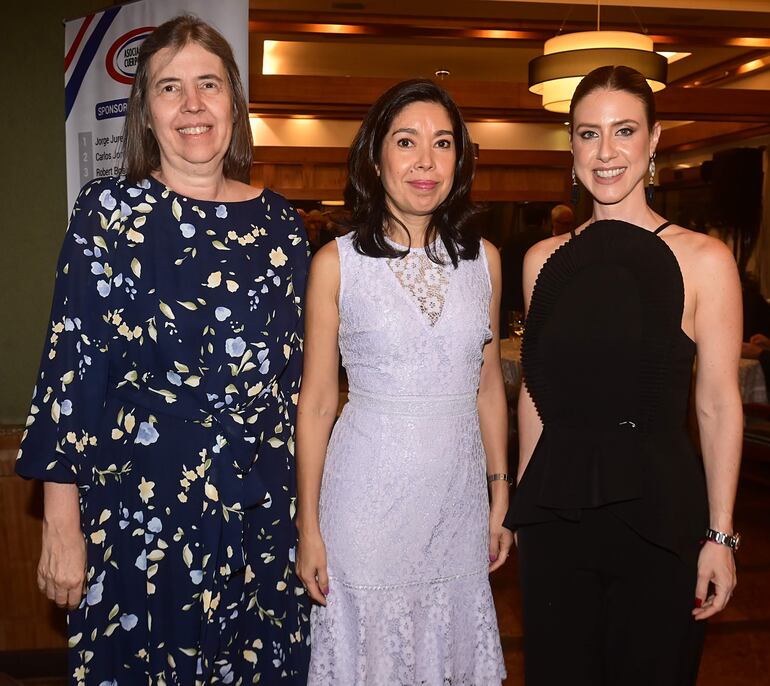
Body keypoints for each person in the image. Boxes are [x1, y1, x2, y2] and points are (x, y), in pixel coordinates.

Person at [16, 15, 310, 684]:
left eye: (208, 84)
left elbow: (298, 392)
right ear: (145, 112)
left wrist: (310, 523)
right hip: (139, 515)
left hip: (259, 513)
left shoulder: (284, 229)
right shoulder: (107, 215)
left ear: (234, 100)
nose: (192, 105)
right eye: (169, 88)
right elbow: (71, 371)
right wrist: (62, 526)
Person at [504, 65, 742, 686]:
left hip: (661, 517)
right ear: (571, 145)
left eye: (624, 130)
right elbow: (536, 393)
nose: (605, 152)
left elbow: (718, 404)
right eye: (588, 134)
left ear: (655, 139)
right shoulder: (541, 262)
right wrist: (522, 508)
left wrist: (721, 535)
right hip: (555, 519)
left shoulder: (705, 261)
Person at [295, 79, 511, 683]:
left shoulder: (485, 260)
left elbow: (488, 384)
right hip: (364, 510)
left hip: (457, 508)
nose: (425, 161)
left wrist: (500, 492)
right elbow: (314, 404)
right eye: (406, 141)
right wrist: (308, 526)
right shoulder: (335, 264)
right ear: (376, 155)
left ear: (459, 161)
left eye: (442, 144)